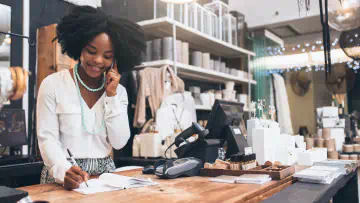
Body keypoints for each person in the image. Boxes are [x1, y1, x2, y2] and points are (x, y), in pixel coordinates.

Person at [36, 5, 146, 189]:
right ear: (79, 47)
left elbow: (119, 142)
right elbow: (47, 138)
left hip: (105, 179)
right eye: (91, 51)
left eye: (107, 56)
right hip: (63, 177)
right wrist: (64, 171)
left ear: (116, 60)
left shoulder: (119, 92)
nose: (98, 60)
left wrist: (111, 96)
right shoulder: (52, 84)